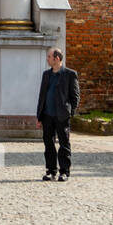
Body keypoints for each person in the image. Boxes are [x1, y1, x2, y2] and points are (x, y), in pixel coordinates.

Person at [37, 47, 80, 182]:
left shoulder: (70, 74)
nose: (47, 59)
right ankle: (51, 171)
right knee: (48, 144)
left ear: (56, 59)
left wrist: (69, 112)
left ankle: (64, 172)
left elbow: (75, 96)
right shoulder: (46, 74)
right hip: (47, 115)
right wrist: (39, 116)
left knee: (64, 144)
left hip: (62, 116)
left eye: (49, 57)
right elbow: (42, 96)